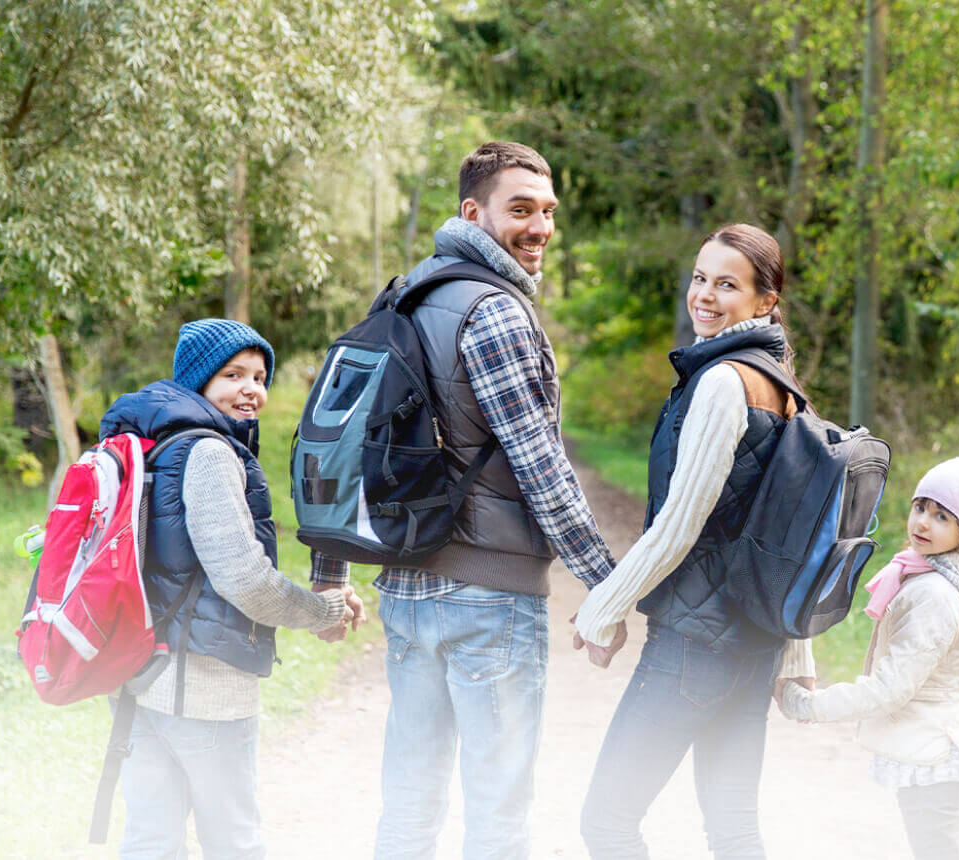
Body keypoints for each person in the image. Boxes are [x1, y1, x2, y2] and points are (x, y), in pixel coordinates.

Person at [310, 140, 620, 859]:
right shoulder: (497, 312)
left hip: (409, 592)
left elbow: (340, 440)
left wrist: (331, 576)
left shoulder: (404, 296)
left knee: (410, 806)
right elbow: (541, 465)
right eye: (520, 210)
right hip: (487, 600)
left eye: (547, 212)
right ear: (472, 212)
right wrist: (609, 586)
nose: (539, 227)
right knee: (498, 818)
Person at [573, 224, 817, 858]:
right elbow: (788, 539)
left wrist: (604, 605)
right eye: (700, 277)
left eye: (727, 284)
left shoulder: (723, 382)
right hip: (754, 647)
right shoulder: (787, 390)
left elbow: (679, 526)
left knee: (608, 821)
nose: (705, 295)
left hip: (692, 648)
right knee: (733, 829)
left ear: (766, 301)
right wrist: (796, 654)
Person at [98, 318, 359, 859]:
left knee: (149, 841)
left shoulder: (145, 445)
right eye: (233, 374)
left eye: (260, 376)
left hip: (134, 679)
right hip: (205, 690)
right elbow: (243, 579)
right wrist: (323, 609)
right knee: (234, 842)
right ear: (198, 381)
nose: (251, 389)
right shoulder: (209, 453)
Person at [775, 456, 959, 860]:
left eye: (942, 516)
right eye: (921, 507)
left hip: (937, 761)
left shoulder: (935, 594)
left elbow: (889, 688)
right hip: (950, 754)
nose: (923, 523)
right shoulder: (940, 577)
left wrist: (809, 705)